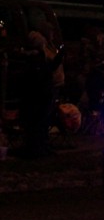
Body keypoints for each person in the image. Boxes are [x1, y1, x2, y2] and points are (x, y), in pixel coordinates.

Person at [18, 22, 64, 158]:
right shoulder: (35, 57)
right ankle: (36, 149)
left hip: (44, 90)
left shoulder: (41, 54)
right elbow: (45, 72)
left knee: (43, 120)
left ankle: (41, 147)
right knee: (38, 121)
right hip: (40, 92)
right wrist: (58, 59)